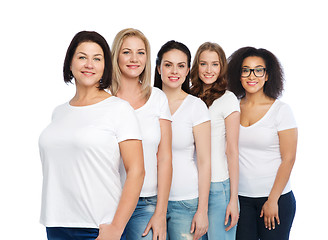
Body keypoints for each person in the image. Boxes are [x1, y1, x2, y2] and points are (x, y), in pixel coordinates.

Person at [39, 31, 145, 240]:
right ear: (70, 63)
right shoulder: (59, 112)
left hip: (97, 227)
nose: (89, 64)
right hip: (55, 224)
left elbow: (137, 171)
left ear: (105, 66)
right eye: (82, 57)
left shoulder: (119, 109)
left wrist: (116, 227)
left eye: (97, 58)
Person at [227, 47, 297, 240]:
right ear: (239, 75)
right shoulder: (231, 108)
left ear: (267, 76)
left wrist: (273, 199)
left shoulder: (281, 110)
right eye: (246, 70)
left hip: (275, 199)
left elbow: (289, 158)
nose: (252, 75)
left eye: (259, 70)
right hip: (240, 199)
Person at [110, 28, 172, 240]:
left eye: (141, 52)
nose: (134, 59)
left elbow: (164, 158)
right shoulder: (103, 98)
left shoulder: (158, 98)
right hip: (107, 203)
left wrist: (160, 213)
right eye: (127, 52)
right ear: (116, 55)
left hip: (147, 203)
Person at [154, 40, 211, 240]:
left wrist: (202, 211)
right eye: (168, 64)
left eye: (181, 66)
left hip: (185, 202)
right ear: (158, 68)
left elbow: (204, 162)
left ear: (188, 70)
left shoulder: (196, 107)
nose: (174, 71)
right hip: (149, 202)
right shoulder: (146, 103)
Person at [190, 42, 240, 240]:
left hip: (219, 187)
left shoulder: (228, 99)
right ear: (196, 66)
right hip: (193, 187)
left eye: (215, 64)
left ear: (222, 68)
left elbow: (232, 150)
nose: (209, 70)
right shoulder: (189, 97)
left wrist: (233, 199)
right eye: (203, 64)